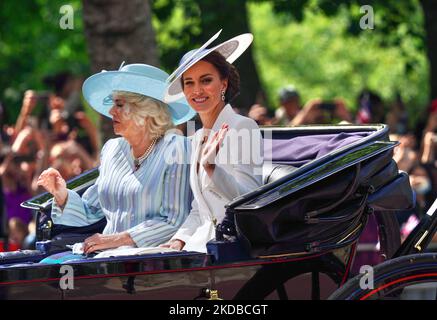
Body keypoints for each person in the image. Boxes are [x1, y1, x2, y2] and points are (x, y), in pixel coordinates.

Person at [37, 63, 196, 254]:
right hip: (108, 261)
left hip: (155, 264)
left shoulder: (176, 148)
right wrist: (62, 194)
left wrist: (116, 239)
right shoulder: (112, 149)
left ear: (147, 111)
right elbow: (92, 211)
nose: (111, 111)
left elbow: (174, 220)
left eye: (119, 104)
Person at [161, 30, 264, 253]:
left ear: (223, 84)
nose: (197, 90)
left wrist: (212, 168)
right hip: (199, 244)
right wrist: (179, 239)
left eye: (206, 80)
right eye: (189, 83)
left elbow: (249, 201)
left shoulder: (243, 127)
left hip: (234, 246)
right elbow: (199, 209)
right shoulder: (197, 137)